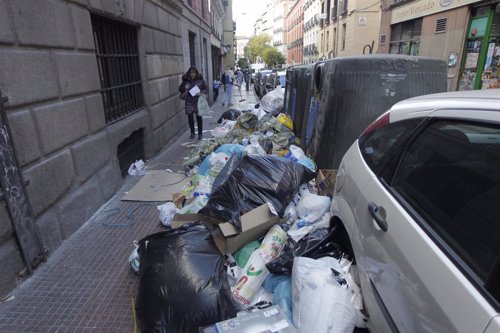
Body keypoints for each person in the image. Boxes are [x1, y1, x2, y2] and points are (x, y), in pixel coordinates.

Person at [178, 67, 208, 140]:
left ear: (196, 73)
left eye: (194, 73)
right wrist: (185, 87)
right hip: (189, 101)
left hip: (197, 101)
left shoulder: (200, 80)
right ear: (189, 73)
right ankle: (192, 133)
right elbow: (180, 89)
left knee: (199, 117)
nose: (192, 74)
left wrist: (201, 93)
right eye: (191, 73)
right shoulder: (186, 80)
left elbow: (205, 88)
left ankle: (200, 134)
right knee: (190, 118)